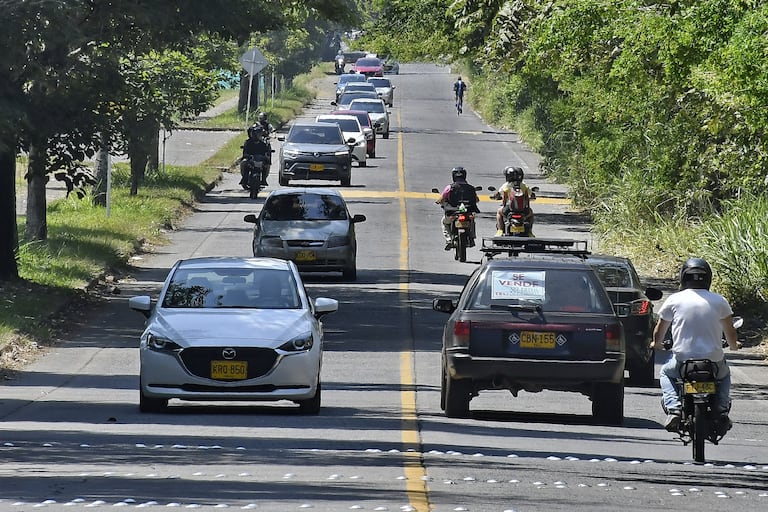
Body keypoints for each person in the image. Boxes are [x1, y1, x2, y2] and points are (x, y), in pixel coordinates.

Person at [651, 258, 740, 432]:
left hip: (682, 359)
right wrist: (734, 345)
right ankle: (721, 410)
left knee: (666, 373)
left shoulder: (674, 300)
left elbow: (659, 330)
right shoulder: (719, 300)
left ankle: (674, 408)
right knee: (724, 376)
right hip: (713, 359)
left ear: (683, 277)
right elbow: (730, 332)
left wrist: (657, 343)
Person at [436, 166, 480, 251]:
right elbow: (476, 199)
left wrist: (438, 201)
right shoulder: (470, 188)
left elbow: (442, 199)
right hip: (467, 212)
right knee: (472, 221)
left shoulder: (449, 187)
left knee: (444, 222)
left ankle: (449, 240)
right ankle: (471, 238)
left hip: (452, 213)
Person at [495, 166, 534, 236]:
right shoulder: (523, 185)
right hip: (523, 210)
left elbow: (503, 197)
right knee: (531, 214)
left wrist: (503, 205)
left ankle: (500, 230)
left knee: (499, 212)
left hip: (509, 210)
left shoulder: (506, 185)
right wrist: (527, 207)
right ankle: (530, 232)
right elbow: (529, 195)